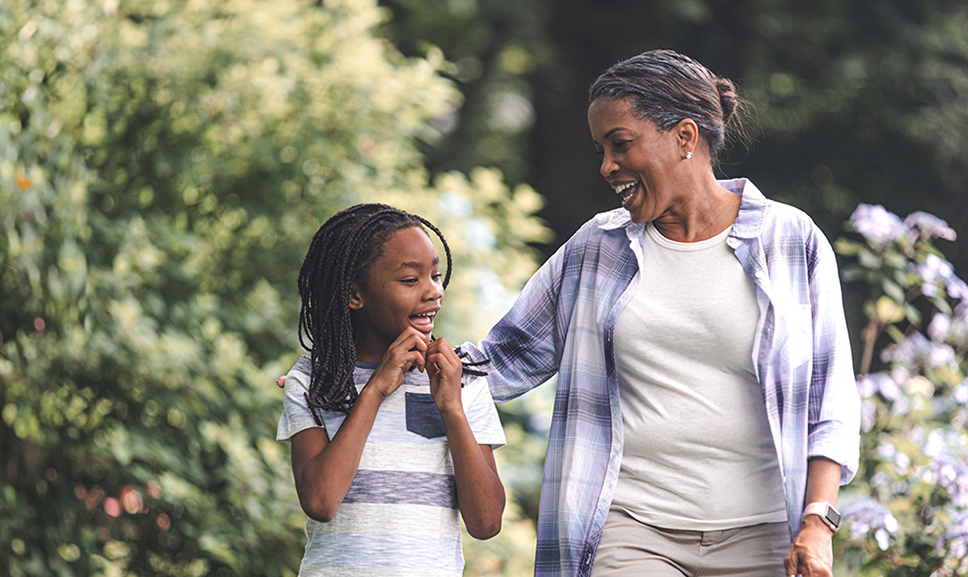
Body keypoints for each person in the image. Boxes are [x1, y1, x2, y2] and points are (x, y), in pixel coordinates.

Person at [457, 49, 860, 577]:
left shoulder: (791, 241)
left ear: (685, 137)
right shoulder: (596, 249)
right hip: (630, 527)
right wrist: (380, 370)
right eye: (601, 149)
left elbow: (831, 401)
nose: (607, 166)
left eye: (620, 144)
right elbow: (501, 360)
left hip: (764, 532)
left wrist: (817, 521)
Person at [275, 204, 506, 577]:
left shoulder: (460, 380)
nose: (434, 291)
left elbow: (486, 523)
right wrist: (375, 390)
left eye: (435, 275)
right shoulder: (312, 381)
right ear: (355, 294)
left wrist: (452, 409)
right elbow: (320, 500)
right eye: (410, 280)